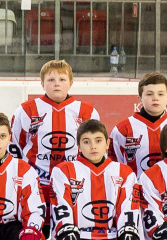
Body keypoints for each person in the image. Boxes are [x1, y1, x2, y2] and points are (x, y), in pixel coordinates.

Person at [13, 58, 101, 204]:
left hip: (74, 182)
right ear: (42, 84)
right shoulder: (26, 110)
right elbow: (15, 145)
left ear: (70, 83)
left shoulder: (87, 111)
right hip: (34, 182)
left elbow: (96, 150)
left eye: (62, 79)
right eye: (51, 80)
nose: (57, 84)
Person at [112, 71, 167, 174]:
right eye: (149, 94)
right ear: (140, 99)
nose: (155, 98)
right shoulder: (122, 129)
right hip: (135, 184)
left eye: (160, 94)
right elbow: (113, 167)